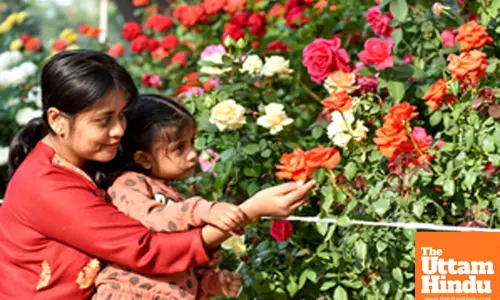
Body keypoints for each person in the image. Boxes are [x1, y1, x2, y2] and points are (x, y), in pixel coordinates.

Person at [0, 49, 315, 299]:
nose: (119, 130)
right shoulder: (48, 186)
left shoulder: (84, 159)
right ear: (57, 120)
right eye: (103, 120)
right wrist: (248, 212)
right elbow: (146, 250)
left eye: (122, 115)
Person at [94, 94, 248, 299]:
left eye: (192, 142)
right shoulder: (128, 185)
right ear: (144, 158)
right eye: (179, 148)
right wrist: (202, 210)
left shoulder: (176, 198)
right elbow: (155, 221)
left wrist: (212, 283)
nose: (193, 153)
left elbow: (182, 260)